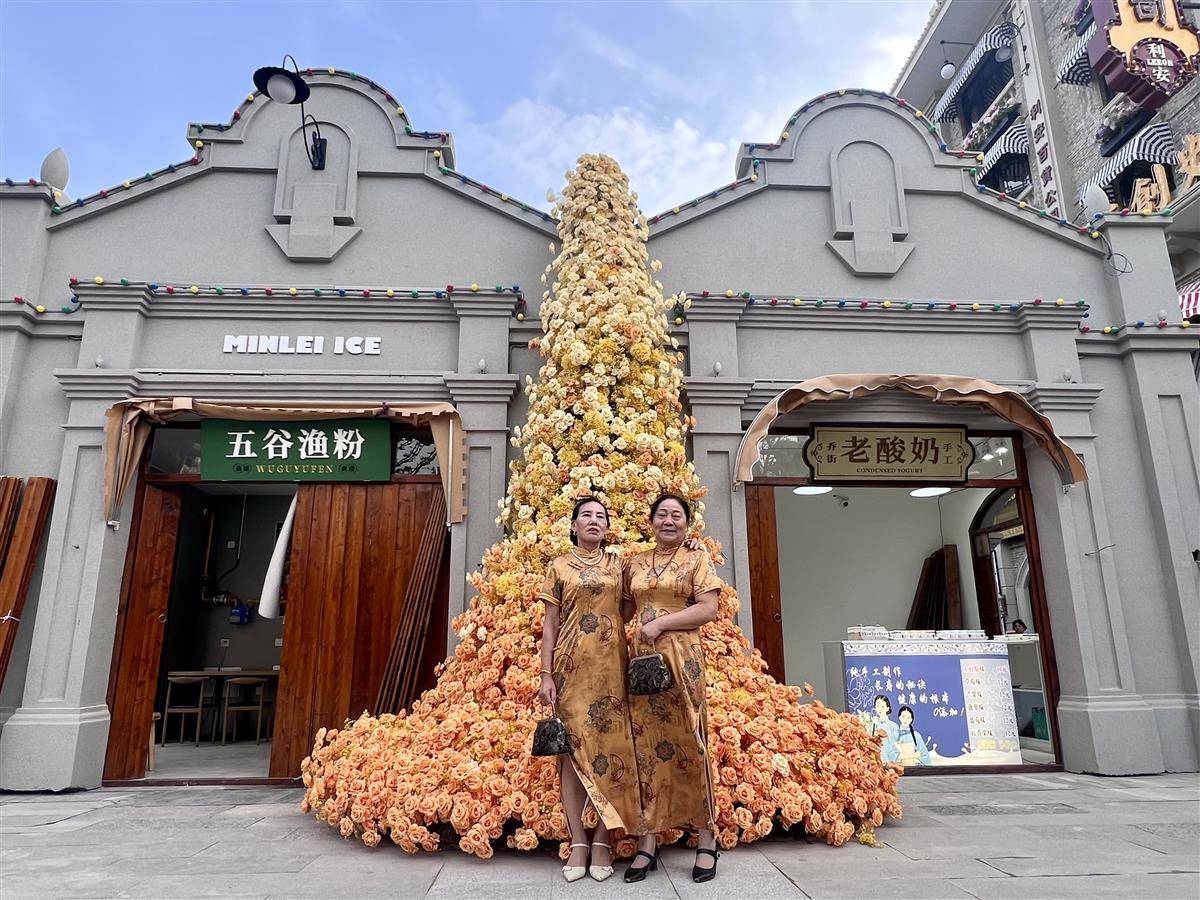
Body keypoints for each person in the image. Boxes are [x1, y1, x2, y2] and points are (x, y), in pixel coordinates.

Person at [622, 494, 725, 884]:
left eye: (676, 515)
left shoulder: (697, 558)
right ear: (651, 522)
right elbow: (623, 609)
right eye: (662, 514)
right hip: (643, 663)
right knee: (646, 746)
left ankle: (706, 838)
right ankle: (648, 840)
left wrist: (661, 624)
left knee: (691, 741)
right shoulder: (635, 562)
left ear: (687, 523)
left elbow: (708, 609)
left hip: (682, 660)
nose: (669, 520)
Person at [538, 497, 638, 882]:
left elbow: (634, 601)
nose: (594, 521)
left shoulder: (619, 565)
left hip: (612, 669)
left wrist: (690, 543)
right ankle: (578, 841)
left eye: (600, 516)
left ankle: (602, 840)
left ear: (607, 527)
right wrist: (546, 674)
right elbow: (550, 624)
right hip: (570, 669)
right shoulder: (559, 566)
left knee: (611, 751)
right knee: (572, 755)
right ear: (574, 525)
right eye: (586, 516)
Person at [868, 694, 900, 763]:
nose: (879, 709)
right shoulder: (872, 725)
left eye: (882, 706)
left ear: (887, 708)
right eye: (877, 706)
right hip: (875, 761)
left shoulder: (893, 726)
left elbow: (896, 747)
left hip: (890, 761)